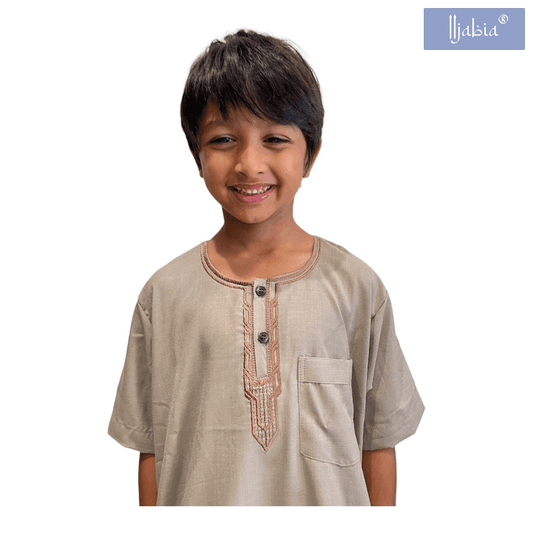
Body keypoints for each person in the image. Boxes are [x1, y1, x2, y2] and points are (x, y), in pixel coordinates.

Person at [108, 29, 424, 506]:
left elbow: (378, 440)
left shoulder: (357, 288)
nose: (249, 163)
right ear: (197, 155)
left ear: (310, 155)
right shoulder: (164, 294)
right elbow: (152, 448)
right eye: (223, 139)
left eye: (275, 139)